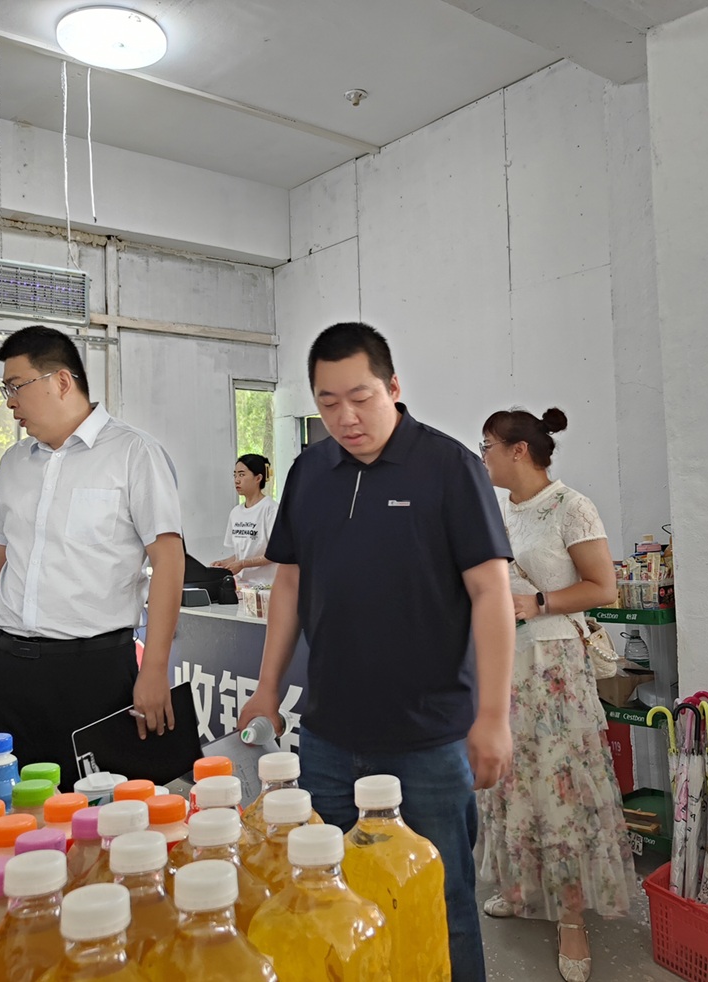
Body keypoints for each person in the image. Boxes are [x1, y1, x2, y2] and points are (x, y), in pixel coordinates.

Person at [235, 322, 515, 982]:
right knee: (333, 902)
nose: (346, 417)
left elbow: (491, 593)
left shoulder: (449, 467)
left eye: (360, 397)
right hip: (329, 737)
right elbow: (289, 583)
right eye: (328, 402)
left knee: (442, 905)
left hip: (430, 739)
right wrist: (267, 687)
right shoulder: (310, 471)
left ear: (393, 387)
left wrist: (493, 717)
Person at [0, 325, 185, 786]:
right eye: (6, 390)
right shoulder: (14, 463)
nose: (10, 403)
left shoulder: (133, 453)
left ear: (61, 381)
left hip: (92, 674)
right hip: (6, 670)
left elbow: (168, 560)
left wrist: (155, 669)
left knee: (95, 814)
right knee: (3, 811)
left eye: (16, 386)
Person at [475, 406, 636, 982]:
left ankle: (571, 918)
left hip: (554, 666)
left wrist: (539, 603)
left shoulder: (572, 506)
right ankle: (521, 888)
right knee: (511, 780)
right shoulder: (498, 511)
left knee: (560, 783)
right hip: (504, 662)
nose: (483, 457)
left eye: (488, 446)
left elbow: (603, 587)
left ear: (518, 450)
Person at [211, 453, 278, 588]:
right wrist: (224, 563)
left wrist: (242, 564)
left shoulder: (271, 509)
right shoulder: (235, 513)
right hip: (242, 587)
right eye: (235, 475)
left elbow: (275, 553)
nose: (237, 480)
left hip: (265, 588)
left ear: (258, 478)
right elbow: (240, 554)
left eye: (242, 475)